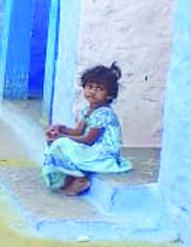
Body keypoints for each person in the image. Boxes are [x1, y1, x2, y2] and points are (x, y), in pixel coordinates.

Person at [43, 63, 132, 195]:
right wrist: (60, 128)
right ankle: (70, 175)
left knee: (62, 144)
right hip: (91, 150)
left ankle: (81, 179)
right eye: (90, 87)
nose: (93, 92)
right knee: (55, 143)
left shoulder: (104, 113)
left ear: (109, 94)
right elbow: (77, 132)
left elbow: (89, 139)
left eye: (99, 89)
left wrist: (62, 137)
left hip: (102, 155)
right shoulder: (87, 110)